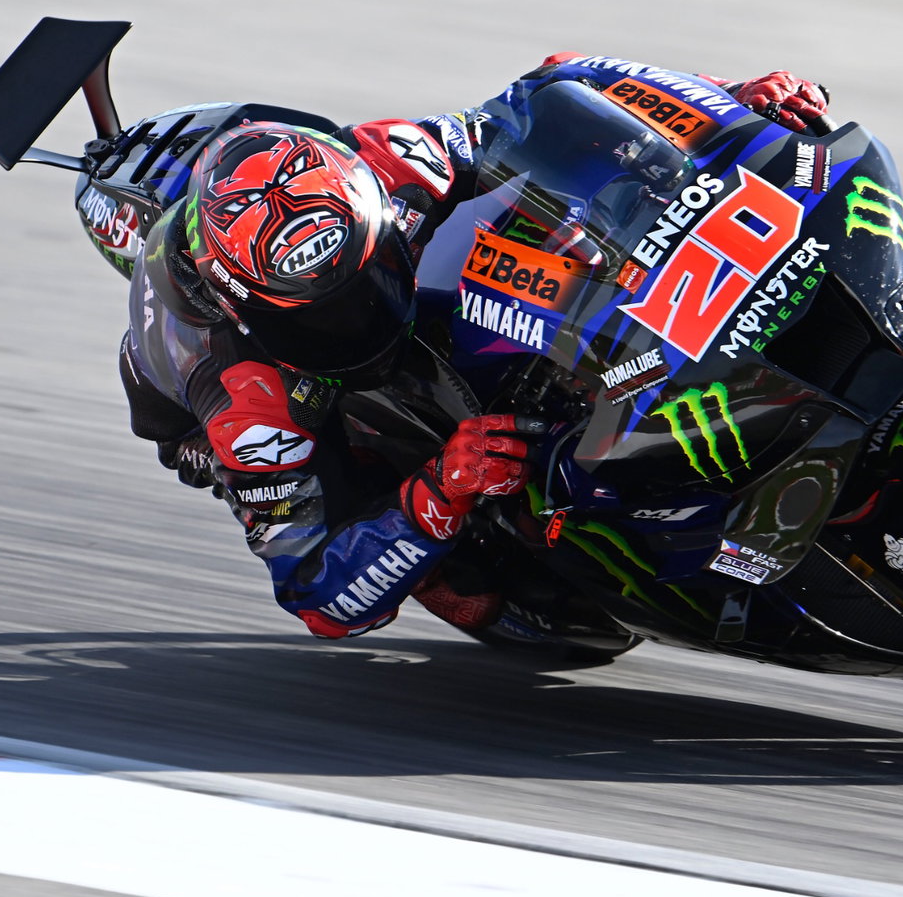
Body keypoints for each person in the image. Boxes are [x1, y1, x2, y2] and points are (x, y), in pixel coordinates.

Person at [117, 53, 831, 639]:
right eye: (329, 308)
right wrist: (440, 489)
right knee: (493, 603)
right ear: (252, 305)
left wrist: (726, 98)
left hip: (397, 270)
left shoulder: (397, 163)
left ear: (374, 209)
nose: (363, 308)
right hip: (255, 401)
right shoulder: (246, 401)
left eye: (370, 275)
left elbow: (555, 89)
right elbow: (318, 595)